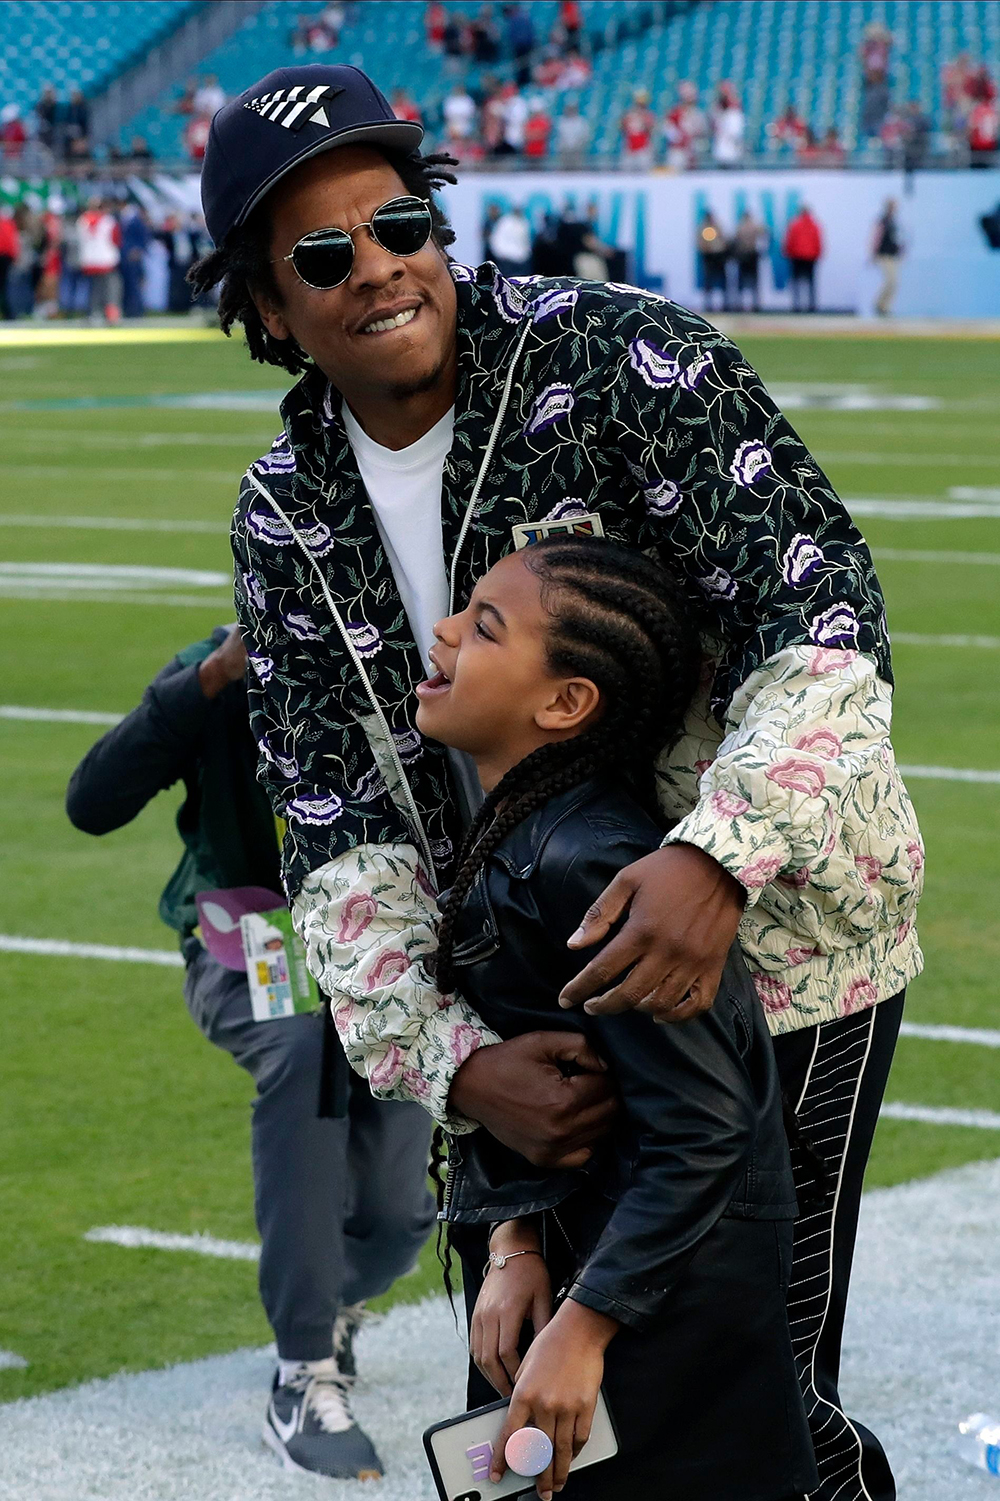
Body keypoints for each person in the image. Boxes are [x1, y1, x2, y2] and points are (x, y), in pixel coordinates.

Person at [190, 64, 923, 1501]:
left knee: (745, 1391)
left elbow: (822, 610)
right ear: (272, 308)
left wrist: (719, 855)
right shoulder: (286, 513)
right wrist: (461, 1066)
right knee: (531, 1417)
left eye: (402, 223)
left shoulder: (623, 357)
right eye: (326, 256)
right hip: (519, 998)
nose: (383, 270)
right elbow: (333, 832)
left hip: (779, 958)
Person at [418, 536, 817, 1500]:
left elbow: (704, 1124)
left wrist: (586, 1324)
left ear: (563, 703)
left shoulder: (593, 866)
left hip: (667, 1303)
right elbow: (530, 1082)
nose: (441, 632)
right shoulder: (519, 829)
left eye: (483, 626)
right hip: (580, 1265)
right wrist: (510, 1247)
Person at [65, 625, 437, 1481]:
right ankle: (303, 1370)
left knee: (395, 1215)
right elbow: (92, 801)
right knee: (303, 1046)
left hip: (390, 934)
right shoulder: (223, 670)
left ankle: (336, 1297)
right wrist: (204, 681)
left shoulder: (422, 658)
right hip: (258, 932)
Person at [77, 196, 120, 323]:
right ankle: (111, 314)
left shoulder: (82, 220)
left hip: (89, 260)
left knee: (94, 289)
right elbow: (116, 239)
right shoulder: (108, 220)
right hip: (106, 260)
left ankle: (94, 314)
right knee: (110, 288)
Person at [783, 204, 822, 312]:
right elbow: (818, 241)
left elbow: (790, 240)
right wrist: (817, 254)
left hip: (797, 256)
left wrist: (788, 252)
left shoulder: (794, 224)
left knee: (796, 282)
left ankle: (797, 306)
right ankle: (812, 306)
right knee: (811, 283)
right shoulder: (814, 225)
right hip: (811, 257)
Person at [731, 208, 767, 311]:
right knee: (754, 282)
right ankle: (756, 304)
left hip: (742, 256)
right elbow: (764, 233)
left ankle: (739, 304)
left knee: (741, 282)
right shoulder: (755, 226)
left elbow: (735, 240)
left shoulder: (740, 227)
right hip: (752, 255)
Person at [664, 80, 706, 170]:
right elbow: (669, 130)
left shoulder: (697, 113)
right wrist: (680, 137)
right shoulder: (675, 113)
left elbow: (701, 131)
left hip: (692, 150)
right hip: (679, 151)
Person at [872, 199, 903, 317]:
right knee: (891, 281)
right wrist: (873, 253)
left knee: (894, 282)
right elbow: (877, 237)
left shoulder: (894, 222)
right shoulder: (883, 220)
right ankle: (879, 304)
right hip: (884, 255)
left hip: (893, 255)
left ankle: (885, 307)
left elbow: (895, 239)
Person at [696, 207, 728, 312]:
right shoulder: (703, 228)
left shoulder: (717, 227)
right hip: (709, 256)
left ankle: (724, 304)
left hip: (718, 256)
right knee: (709, 282)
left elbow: (724, 240)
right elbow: (700, 243)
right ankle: (708, 304)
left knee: (722, 282)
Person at [488, 203, 532, 277]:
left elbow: (525, 242)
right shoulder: (505, 223)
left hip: (521, 260)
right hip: (507, 260)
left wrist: (526, 254)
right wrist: (501, 254)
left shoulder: (523, 223)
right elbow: (496, 240)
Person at [619, 88, 656, 169]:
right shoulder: (628, 114)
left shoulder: (648, 115)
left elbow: (651, 129)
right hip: (630, 147)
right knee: (626, 171)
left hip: (643, 147)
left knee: (645, 169)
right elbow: (622, 127)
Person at [711, 84, 745, 167]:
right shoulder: (717, 111)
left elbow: (735, 132)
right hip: (722, 149)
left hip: (732, 149)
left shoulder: (734, 113)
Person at [554, 98, 589, 168]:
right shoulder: (561, 121)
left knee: (577, 169)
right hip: (564, 150)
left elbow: (584, 136)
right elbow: (558, 136)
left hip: (577, 151)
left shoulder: (581, 122)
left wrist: (577, 145)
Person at [0, 205, 19, 320]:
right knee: (4, 286)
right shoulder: (9, 223)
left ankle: (8, 313)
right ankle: (9, 314)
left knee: (4, 287)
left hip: (5, 256)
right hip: (6, 257)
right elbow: (13, 242)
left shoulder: (8, 223)